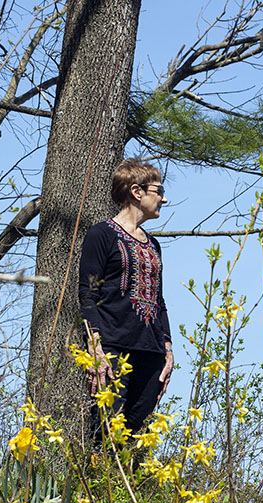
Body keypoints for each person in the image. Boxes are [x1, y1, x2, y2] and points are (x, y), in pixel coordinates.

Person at [79, 158, 173, 436]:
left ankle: (129, 480)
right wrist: (94, 345)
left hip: (151, 352)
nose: (164, 199)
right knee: (107, 431)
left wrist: (167, 349)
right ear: (137, 192)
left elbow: (159, 300)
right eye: (159, 190)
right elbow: (88, 292)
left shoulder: (153, 244)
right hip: (113, 347)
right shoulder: (102, 235)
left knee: (137, 433)